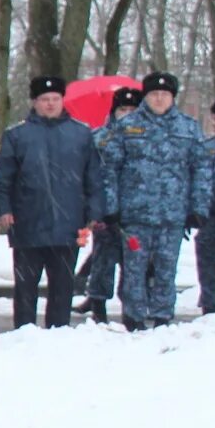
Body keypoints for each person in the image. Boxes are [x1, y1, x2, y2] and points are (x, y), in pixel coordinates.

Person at [0, 76, 103, 329]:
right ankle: (24, 333)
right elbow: (2, 179)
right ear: (35, 102)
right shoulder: (17, 135)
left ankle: (58, 334)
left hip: (69, 224)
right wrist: (2, 208)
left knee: (63, 287)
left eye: (55, 99)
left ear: (63, 100)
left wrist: (95, 212)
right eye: (44, 99)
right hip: (28, 222)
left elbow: (93, 178)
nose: (50, 104)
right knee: (26, 287)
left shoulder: (81, 134)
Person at [104, 71, 204, 329]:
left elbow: (200, 170)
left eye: (164, 94)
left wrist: (197, 208)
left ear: (172, 97)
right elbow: (110, 169)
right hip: (135, 215)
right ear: (146, 97)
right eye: (154, 94)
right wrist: (111, 207)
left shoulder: (188, 128)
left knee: (166, 269)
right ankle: (134, 317)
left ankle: (162, 316)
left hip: (172, 215)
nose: (159, 99)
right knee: (134, 270)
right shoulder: (127, 127)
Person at [76, 85, 142, 323]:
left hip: (137, 212)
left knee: (134, 265)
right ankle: (98, 306)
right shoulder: (99, 137)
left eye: (133, 109)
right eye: (123, 109)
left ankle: (132, 310)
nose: (127, 114)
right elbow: (89, 176)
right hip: (105, 212)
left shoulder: (146, 139)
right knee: (103, 261)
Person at [198, 98, 215, 316]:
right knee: (209, 271)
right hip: (212, 221)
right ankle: (209, 313)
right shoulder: (208, 149)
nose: (214, 123)